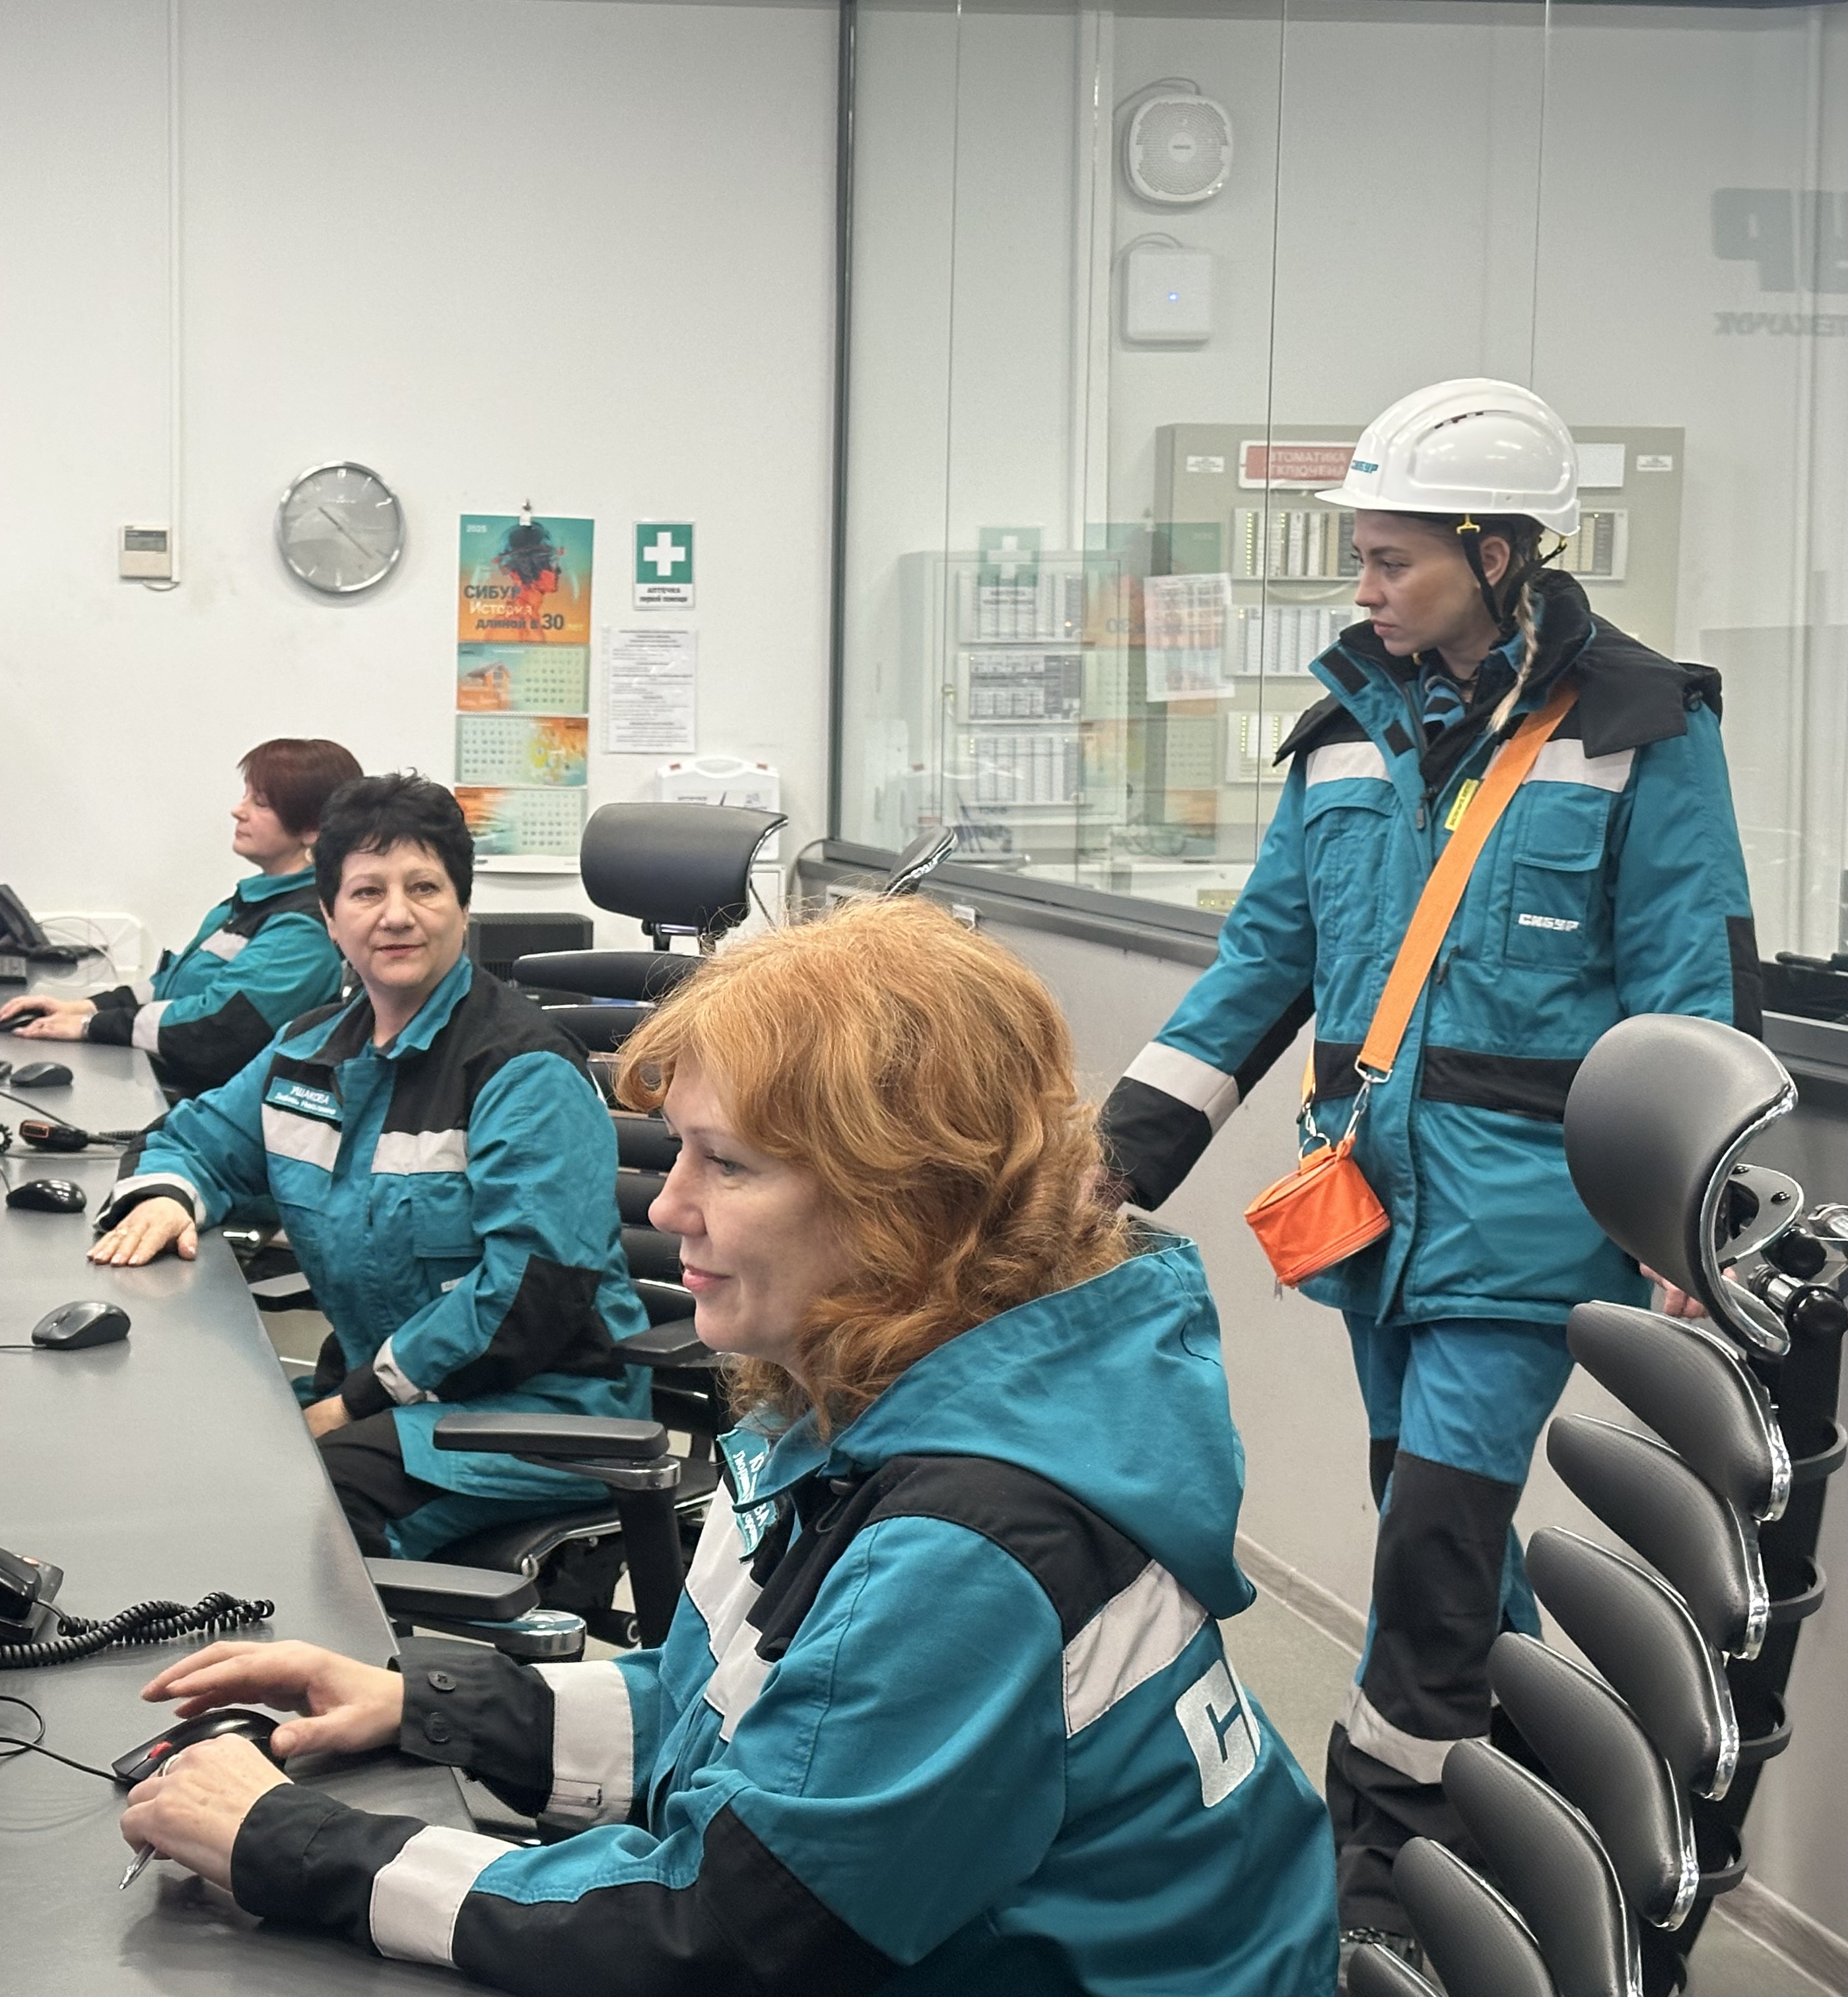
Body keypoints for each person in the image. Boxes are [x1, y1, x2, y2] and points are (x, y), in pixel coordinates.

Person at [116, 897, 1338, 1994]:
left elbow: (723, 1934)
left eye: (729, 1165)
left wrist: (301, 1845)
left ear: (900, 1203)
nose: (665, 1207)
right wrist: (429, 1706)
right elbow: (741, 1717)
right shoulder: (868, 1407)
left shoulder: (970, 1542)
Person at [1098, 379, 1758, 1967]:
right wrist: (1111, 1166)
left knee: (1437, 1542)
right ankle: (1524, 1804)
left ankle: (1384, 1861)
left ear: (1498, 553)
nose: (1365, 586)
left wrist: (1690, 1217)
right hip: (1372, 1217)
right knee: (1427, 1523)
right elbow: (1260, 967)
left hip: (1530, 1222)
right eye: (1362, 556)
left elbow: (1691, 987)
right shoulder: (1342, 737)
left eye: (1392, 558)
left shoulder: (1643, 726)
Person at [86, 772, 650, 1560]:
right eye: (366, 892)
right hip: (391, 1397)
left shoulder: (522, 1072)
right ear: (329, 914)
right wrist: (170, 1197)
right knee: (186, 1448)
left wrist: (355, 1402)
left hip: (541, 1411)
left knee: (303, 1506)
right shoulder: (309, 1052)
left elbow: (529, 1295)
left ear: (463, 907)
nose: (396, 915)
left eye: (424, 887)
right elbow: (195, 1140)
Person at [0, 738, 360, 1096]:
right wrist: (84, 1006)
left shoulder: (302, 930)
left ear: (312, 829)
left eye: (260, 803)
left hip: (213, 1103)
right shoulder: (250, 902)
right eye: (245, 796)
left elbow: (218, 1028)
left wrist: (92, 1026)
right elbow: (170, 988)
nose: (239, 810)